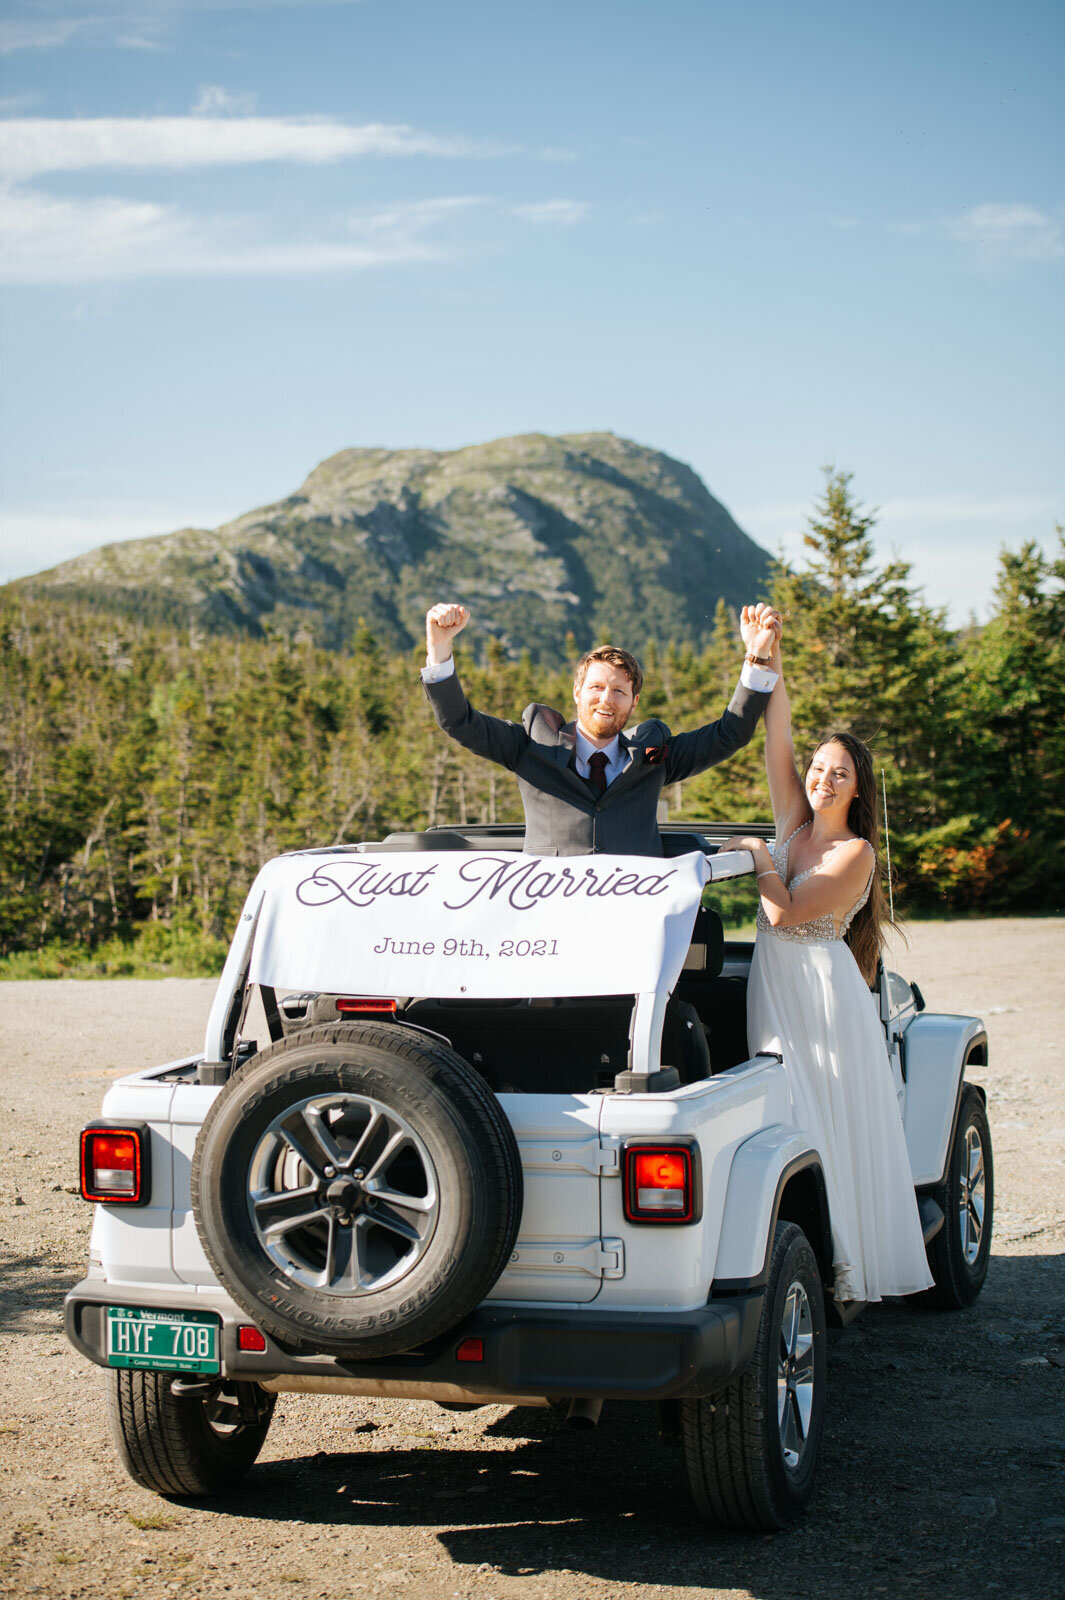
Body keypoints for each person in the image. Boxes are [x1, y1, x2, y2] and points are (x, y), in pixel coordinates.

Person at [722, 610, 934, 1303]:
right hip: (776, 990)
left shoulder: (853, 853)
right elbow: (774, 734)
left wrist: (756, 856)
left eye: (837, 773)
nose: (821, 778)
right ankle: (806, 1253)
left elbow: (783, 911)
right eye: (817, 768)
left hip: (822, 997)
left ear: (856, 786)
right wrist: (765, 654)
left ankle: (843, 1266)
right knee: (787, 1114)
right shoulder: (795, 823)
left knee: (825, 1118)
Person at [421, 601, 780, 856]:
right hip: (550, 928)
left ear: (634, 703)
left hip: (632, 929)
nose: (606, 699)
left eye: (619, 691)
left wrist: (757, 657)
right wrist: (440, 649)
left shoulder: (655, 755)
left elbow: (729, 734)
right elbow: (460, 722)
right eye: (596, 688)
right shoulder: (529, 745)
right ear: (577, 692)